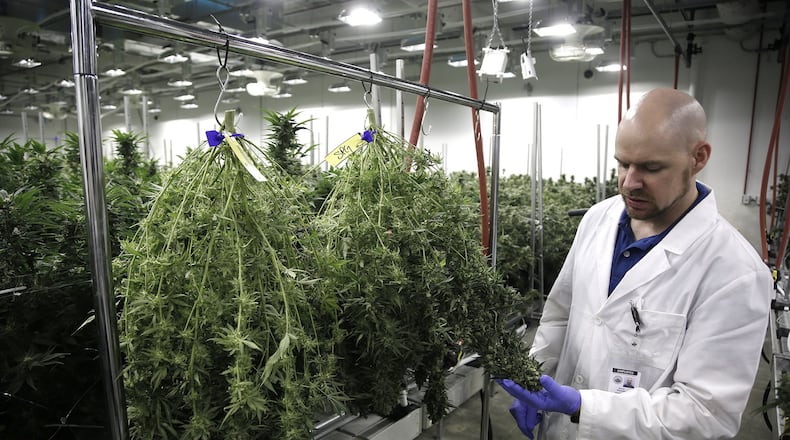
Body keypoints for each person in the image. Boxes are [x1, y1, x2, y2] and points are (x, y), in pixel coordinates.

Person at [498, 88, 773, 440]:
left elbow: (706, 414)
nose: (629, 182)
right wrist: (533, 377)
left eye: (650, 167)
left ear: (698, 157)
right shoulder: (599, 218)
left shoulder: (735, 272)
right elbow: (561, 314)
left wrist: (583, 406)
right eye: (623, 163)